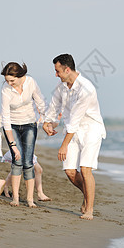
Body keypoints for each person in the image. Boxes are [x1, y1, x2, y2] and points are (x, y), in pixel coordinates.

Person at [43, 54, 106, 220]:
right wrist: (48, 122)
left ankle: (89, 209)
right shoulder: (61, 86)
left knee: (85, 169)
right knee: (70, 171)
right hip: (73, 131)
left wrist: (63, 145)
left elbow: (75, 119)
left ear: (67, 69)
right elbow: (54, 106)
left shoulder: (86, 89)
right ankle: (88, 195)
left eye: (57, 71)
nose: (56, 74)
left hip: (91, 130)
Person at [0, 62, 46, 207]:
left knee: (28, 162)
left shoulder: (31, 82)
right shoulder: (6, 90)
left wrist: (44, 118)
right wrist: (13, 146)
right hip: (11, 125)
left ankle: (30, 199)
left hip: (30, 124)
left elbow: (40, 101)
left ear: (20, 76)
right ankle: (16, 198)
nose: (9, 83)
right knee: (17, 161)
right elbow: (6, 118)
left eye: (12, 80)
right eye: (7, 81)